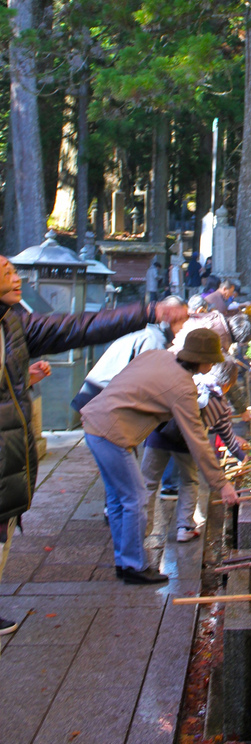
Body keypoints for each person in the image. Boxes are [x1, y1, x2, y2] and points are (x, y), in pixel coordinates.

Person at [0, 254, 162, 633]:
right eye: (6, 272)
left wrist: (146, 311)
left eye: (13, 270)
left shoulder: (12, 322)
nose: (16, 277)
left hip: (11, 452)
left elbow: (76, 326)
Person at [80, 328, 239, 584]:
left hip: (96, 422)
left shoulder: (157, 356)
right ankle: (133, 566)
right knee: (136, 498)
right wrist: (221, 484)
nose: (213, 364)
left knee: (121, 500)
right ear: (202, 359)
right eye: (212, 359)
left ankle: (125, 561)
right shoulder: (182, 387)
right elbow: (197, 439)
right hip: (111, 433)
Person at [141, 356, 248, 542]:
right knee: (189, 482)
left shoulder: (191, 380)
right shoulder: (221, 405)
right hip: (188, 443)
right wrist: (241, 456)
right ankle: (185, 527)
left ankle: (140, 529)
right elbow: (228, 437)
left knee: (148, 482)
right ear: (229, 384)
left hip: (159, 433)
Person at [71, 295, 189, 413]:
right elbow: (146, 382)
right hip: (100, 395)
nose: (185, 325)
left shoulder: (149, 331)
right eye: (183, 319)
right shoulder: (153, 338)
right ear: (171, 317)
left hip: (99, 393)